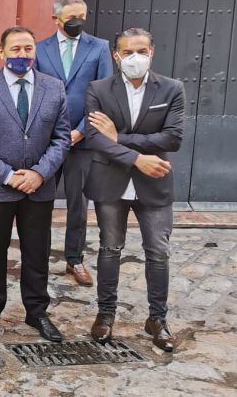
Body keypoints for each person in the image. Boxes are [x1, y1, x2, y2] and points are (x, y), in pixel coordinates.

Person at [0, 26, 70, 342]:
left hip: (39, 188)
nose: (22, 55)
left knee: (37, 251)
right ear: (1, 52)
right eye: (15, 49)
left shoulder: (54, 88)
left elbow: (62, 137)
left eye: (27, 49)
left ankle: (37, 311)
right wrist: (8, 175)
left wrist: (39, 173)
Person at [84, 28, 184, 352]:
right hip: (110, 181)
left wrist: (122, 140)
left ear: (152, 51)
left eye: (141, 50)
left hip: (154, 183)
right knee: (109, 249)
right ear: (116, 55)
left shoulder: (172, 89)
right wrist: (139, 157)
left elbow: (172, 138)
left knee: (158, 252)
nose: (134, 57)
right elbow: (95, 138)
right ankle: (105, 315)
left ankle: (158, 319)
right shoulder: (98, 89)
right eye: (127, 52)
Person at [33, 0, 114, 287]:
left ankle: (74, 258)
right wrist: (52, 134)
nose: (77, 21)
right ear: (56, 19)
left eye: (82, 15)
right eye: (71, 17)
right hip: (47, 141)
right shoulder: (40, 50)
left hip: (83, 140)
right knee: (41, 200)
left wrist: (80, 131)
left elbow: (105, 94)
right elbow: (35, 93)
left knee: (78, 204)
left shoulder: (100, 48)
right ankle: (37, 256)